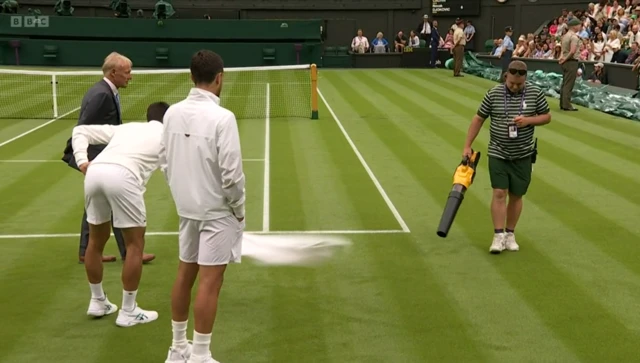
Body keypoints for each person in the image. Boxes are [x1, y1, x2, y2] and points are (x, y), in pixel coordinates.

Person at [160, 50, 245, 363]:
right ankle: (199, 355)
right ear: (219, 77)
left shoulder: (170, 114)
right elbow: (232, 174)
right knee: (211, 281)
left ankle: (177, 349)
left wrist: (183, 196)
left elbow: (165, 163)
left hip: (188, 211)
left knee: (185, 273)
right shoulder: (224, 118)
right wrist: (238, 208)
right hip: (217, 212)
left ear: (191, 76)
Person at [72, 102, 170, 326]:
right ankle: (128, 311)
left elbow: (80, 130)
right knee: (135, 244)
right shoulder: (167, 136)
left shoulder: (126, 128)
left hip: (95, 172)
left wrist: (82, 161)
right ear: (169, 119)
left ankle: (98, 301)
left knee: (95, 241)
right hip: (123, 177)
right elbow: (169, 172)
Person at [61, 51, 155, 264]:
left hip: (101, 160)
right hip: (97, 160)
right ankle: (128, 252)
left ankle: (91, 251)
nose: (130, 76)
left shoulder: (105, 90)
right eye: (127, 72)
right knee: (109, 205)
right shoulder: (102, 94)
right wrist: (84, 160)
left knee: (98, 205)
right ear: (114, 73)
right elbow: (83, 128)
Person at [462, 60, 551, 254]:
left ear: (525, 79)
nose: (515, 86)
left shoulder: (535, 93)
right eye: (511, 83)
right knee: (499, 193)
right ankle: (498, 235)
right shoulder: (493, 93)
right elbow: (479, 118)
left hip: (524, 154)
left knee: (517, 195)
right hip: (498, 152)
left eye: (519, 84)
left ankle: (510, 234)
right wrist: (467, 145)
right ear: (506, 77)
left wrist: (528, 120)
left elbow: (546, 116)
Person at [559, 17, 582, 111]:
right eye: (579, 25)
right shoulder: (574, 37)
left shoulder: (565, 36)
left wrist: (561, 59)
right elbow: (572, 51)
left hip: (565, 61)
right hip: (571, 62)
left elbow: (562, 50)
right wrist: (565, 60)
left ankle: (562, 103)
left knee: (564, 83)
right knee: (569, 84)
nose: (580, 27)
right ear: (575, 26)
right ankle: (567, 105)